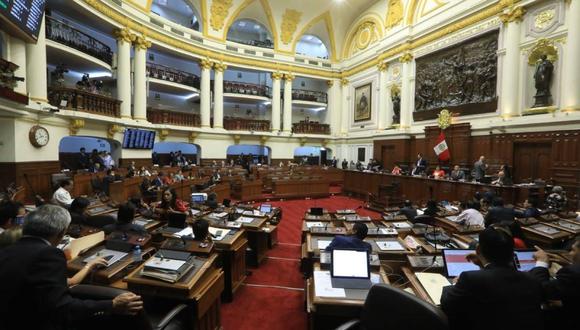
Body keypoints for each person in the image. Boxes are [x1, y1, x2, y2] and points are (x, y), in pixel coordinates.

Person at [0, 205, 143, 329]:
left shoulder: (6, 251)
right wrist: (111, 304)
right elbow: (61, 307)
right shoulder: (49, 254)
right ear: (62, 233)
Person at [440, 227, 544, 330]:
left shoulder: (470, 278)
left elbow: (447, 304)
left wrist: (455, 283)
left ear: (478, 250)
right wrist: (482, 265)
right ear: (512, 254)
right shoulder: (532, 279)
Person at [529, 238, 580, 328]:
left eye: (573, 250)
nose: (570, 253)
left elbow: (543, 290)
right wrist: (570, 265)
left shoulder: (572, 272)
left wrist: (541, 263)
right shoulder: (573, 271)